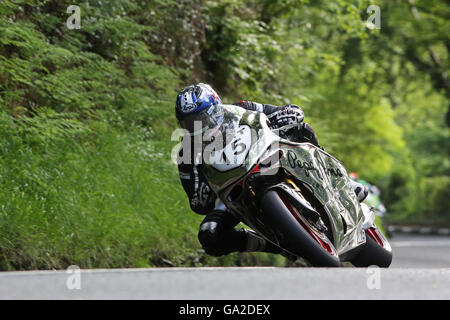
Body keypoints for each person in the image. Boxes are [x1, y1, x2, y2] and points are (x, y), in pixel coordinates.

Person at [175, 83, 367, 258]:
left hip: (266, 158)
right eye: (190, 123)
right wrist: (201, 195)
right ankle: (273, 245)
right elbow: (196, 202)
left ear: (215, 109)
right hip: (231, 193)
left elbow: (278, 112)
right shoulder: (186, 153)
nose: (199, 127)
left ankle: (338, 180)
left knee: (303, 128)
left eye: (202, 118)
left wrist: (287, 114)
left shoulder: (240, 108)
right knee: (210, 234)